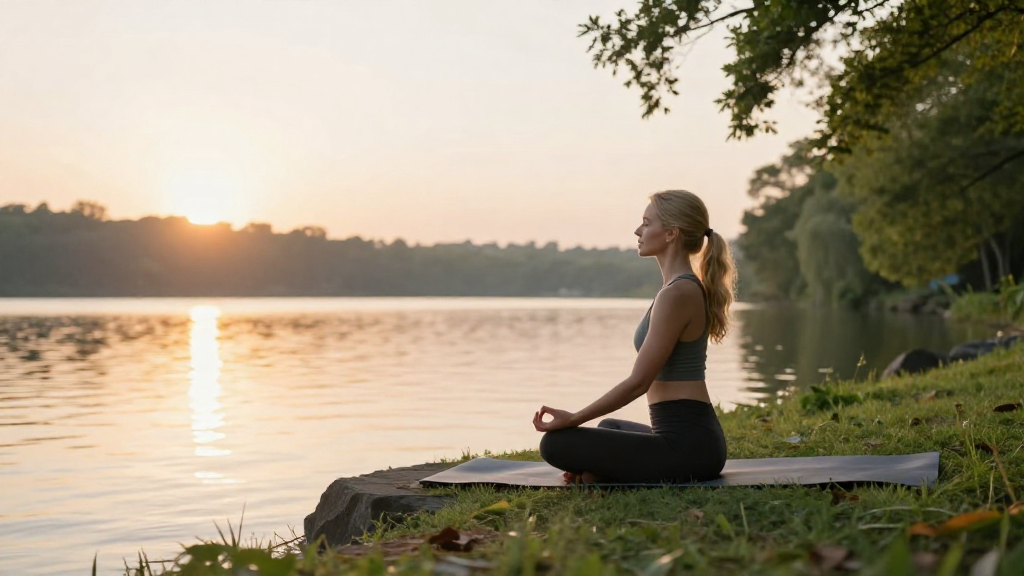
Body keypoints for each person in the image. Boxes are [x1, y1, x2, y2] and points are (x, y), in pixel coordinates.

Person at [533, 190, 735, 484]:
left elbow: (639, 382)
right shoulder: (676, 289)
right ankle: (598, 473)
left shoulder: (679, 293)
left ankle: (599, 474)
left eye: (646, 223)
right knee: (610, 426)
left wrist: (574, 418)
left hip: (689, 448)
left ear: (671, 233)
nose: (638, 231)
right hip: (685, 439)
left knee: (555, 444)